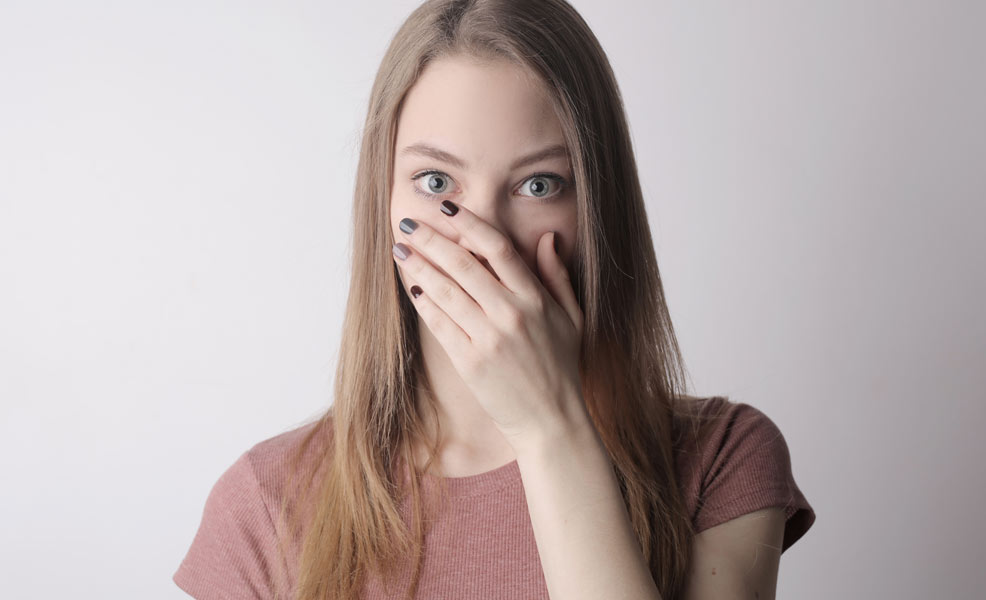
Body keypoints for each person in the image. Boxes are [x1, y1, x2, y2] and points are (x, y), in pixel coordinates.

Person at [173, 1, 816, 599]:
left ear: (597, 206)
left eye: (538, 184)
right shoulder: (265, 506)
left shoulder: (724, 458)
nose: (483, 238)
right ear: (382, 201)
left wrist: (549, 430)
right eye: (436, 182)